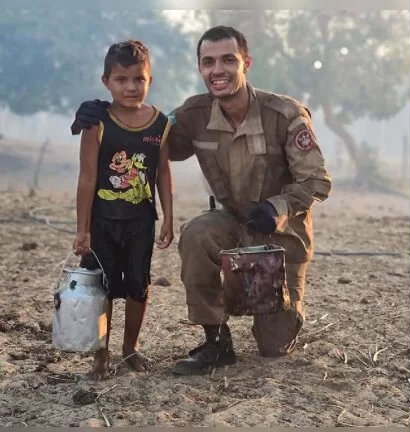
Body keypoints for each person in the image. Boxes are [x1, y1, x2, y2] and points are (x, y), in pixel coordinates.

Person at [71, 26, 332, 375]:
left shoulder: (284, 114)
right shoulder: (193, 114)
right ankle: (216, 341)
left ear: (246, 63)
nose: (217, 70)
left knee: (273, 346)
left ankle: (284, 316)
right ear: (200, 68)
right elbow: (146, 132)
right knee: (196, 233)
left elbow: (317, 180)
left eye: (228, 60)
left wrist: (277, 208)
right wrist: (100, 112)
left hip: (279, 236)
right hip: (232, 222)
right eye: (208, 62)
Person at [73, 40, 174, 378]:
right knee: (100, 287)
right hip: (102, 222)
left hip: (141, 222)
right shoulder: (96, 123)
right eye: (121, 79)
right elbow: (87, 178)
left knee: (138, 285)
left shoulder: (160, 124)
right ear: (106, 82)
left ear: (150, 80)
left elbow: (163, 173)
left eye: (138, 79)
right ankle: (100, 353)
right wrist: (82, 229)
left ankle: (130, 348)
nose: (131, 87)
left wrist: (168, 217)